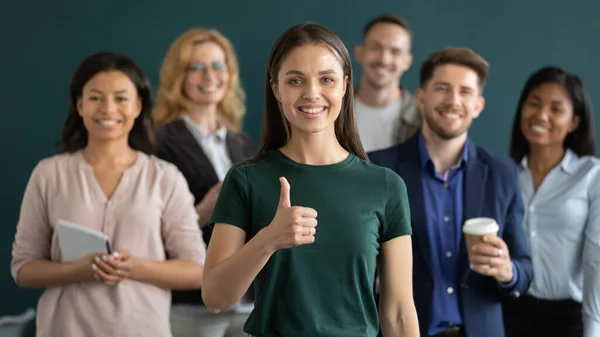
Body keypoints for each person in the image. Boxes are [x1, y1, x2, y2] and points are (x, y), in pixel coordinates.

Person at [201, 23, 420, 337]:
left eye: (326, 79)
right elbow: (215, 297)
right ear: (276, 88)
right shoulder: (245, 179)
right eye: (295, 80)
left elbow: (398, 313)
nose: (312, 93)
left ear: (345, 85)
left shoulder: (385, 186)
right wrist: (268, 240)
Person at [10, 52, 206, 337]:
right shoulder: (49, 174)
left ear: (138, 106)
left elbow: (197, 270)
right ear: (80, 105)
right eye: (95, 97)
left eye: (121, 98)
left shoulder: (164, 177)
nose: (108, 108)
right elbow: (23, 268)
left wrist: (134, 267)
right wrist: (78, 270)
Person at [369, 47, 533, 337]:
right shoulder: (379, 169)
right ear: (421, 98)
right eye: (442, 88)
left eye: (465, 92)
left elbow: (524, 269)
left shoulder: (503, 173)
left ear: (478, 105)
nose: (453, 101)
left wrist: (508, 271)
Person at [153, 27, 254, 337]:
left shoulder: (242, 143)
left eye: (217, 65)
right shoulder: (157, 142)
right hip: (190, 304)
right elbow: (142, 229)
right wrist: (200, 212)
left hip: (247, 300)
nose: (209, 76)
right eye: (196, 67)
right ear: (178, 77)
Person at [502, 66, 600, 337]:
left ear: (574, 122)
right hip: (510, 312)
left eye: (556, 109)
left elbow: (596, 259)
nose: (541, 115)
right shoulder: (504, 174)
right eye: (533, 104)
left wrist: (593, 330)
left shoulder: (592, 175)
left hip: (570, 318)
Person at [354, 14, 421, 152]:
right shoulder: (332, 111)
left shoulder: (422, 119)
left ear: (407, 61)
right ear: (359, 53)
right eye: (375, 48)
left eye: (395, 51)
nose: (384, 59)